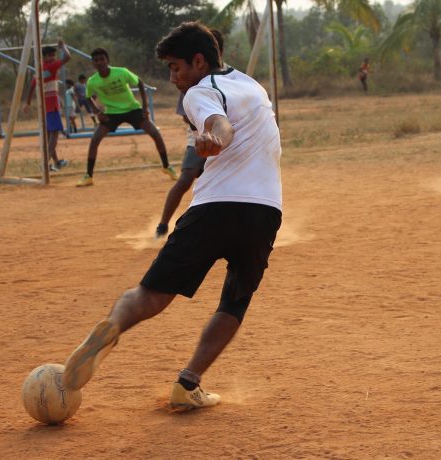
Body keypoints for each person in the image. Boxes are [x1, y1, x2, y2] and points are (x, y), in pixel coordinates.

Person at [62, 22, 282, 411]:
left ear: (199, 61)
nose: (173, 78)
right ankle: (188, 383)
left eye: (175, 67)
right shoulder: (252, 85)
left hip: (214, 208)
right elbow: (228, 123)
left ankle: (112, 328)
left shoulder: (199, 92)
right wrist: (215, 135)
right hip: (264, 211)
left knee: (151, 294)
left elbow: (219, 124)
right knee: (235, 301)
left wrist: (213, 137)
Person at [156, 28, 227, 239]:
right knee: (186, 178)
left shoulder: (227, 78)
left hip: (222, 136)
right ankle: (163, 225)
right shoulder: (191, 84)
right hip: (198, 134)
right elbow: (188, 116)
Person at [76, 48, 177, 187]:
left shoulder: (121, 72)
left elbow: (140, 82)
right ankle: (88, 176)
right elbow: (87, 97)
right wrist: (97, 112)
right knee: (95, 140)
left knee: (155, 133)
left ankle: (167, 166)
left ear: (107, 61)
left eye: (102, 59)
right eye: (96, 60)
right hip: (111, 113)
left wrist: (145, 107)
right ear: (93, 63)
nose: (99, 62)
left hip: (132, 109)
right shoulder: (93, 81)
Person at [23, 39, 71, 172]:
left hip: (42, 106)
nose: (52, 58)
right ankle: (45, 163)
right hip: (51, 105)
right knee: (54, 134)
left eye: (53, 55)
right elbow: (68, 57)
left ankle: (56, 162)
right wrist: (63, 46)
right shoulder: (52, 66)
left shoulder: (39, 69)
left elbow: (32, 86)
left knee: (50, 135)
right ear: (43, 57)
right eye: (49, 55)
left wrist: (27, 102)